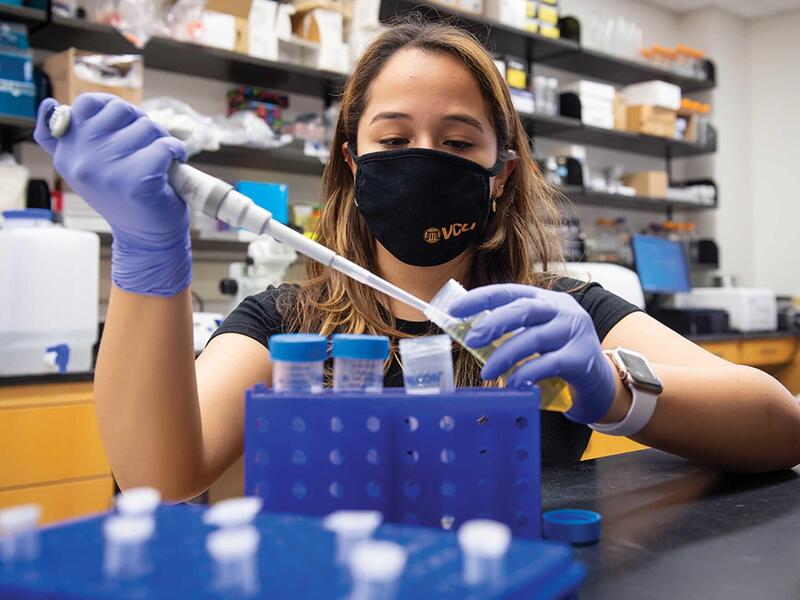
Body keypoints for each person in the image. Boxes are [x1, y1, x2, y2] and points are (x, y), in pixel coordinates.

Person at [34, 19, 800, 501]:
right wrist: (146, 250)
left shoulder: (557, 318)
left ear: (500, 172)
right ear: (351, 161)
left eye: (460, 142)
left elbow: (781, 426)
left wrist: (608, 387)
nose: (424, 161)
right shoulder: (286, 323)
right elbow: (159, 476)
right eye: (393, 141)